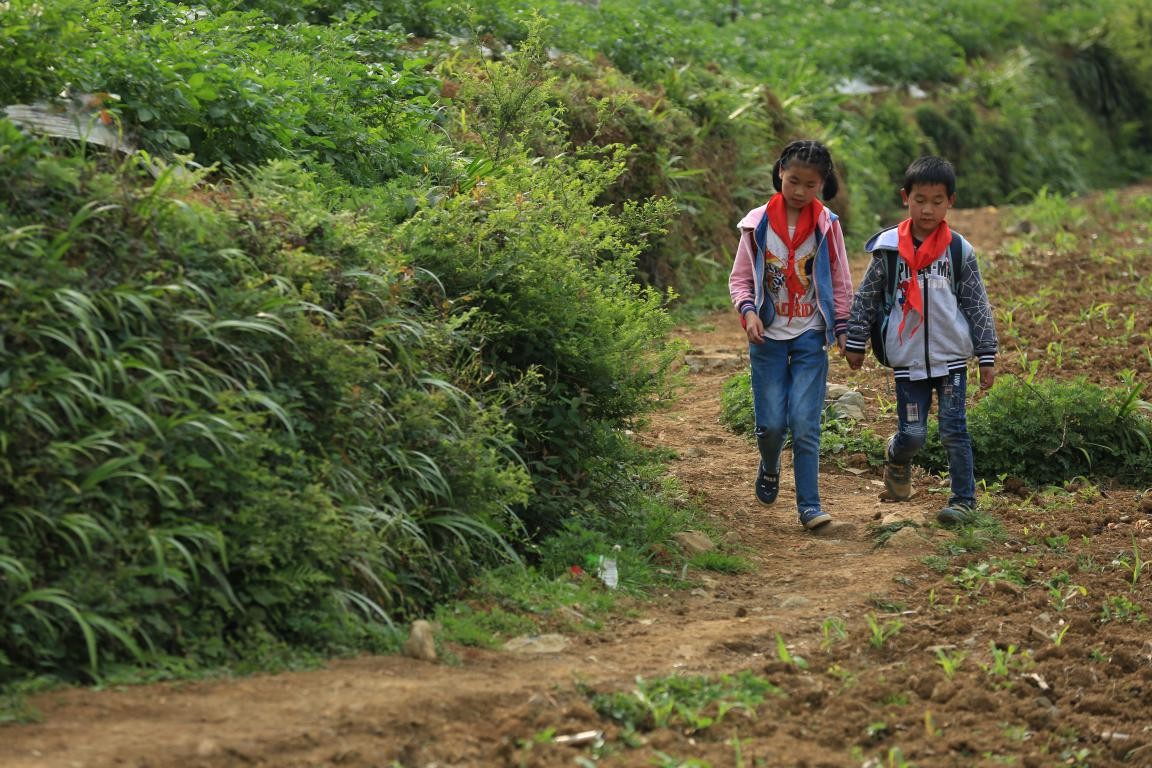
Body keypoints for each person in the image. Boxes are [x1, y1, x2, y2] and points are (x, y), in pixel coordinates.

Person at [844, 155, 998, 526]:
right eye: (920, 200)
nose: (928, 209)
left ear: (951, 202)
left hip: (952, 359)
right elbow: (867, 296)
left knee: (953, 430)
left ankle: (963, 501)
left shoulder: (959, 250)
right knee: (912, 434)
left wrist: (987, 353)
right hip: (908, 359)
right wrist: (855, 340)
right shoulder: (889, 250)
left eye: (937, 201)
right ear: (905, 198)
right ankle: (897, 456)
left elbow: (976, 301)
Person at [728, 139, 853, 530]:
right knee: (771, 426)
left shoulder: (827, 226)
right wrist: (748, 314)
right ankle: (768, 464)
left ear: (822, 185)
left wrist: (845, 330)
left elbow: (840, 280)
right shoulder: (756, 224)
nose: (800, 191)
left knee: (804, 423)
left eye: (810, 185)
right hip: (767, 337)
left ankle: (810, 506)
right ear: (780, 171)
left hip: (810, 335)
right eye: (793, 180)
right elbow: (741, 279)